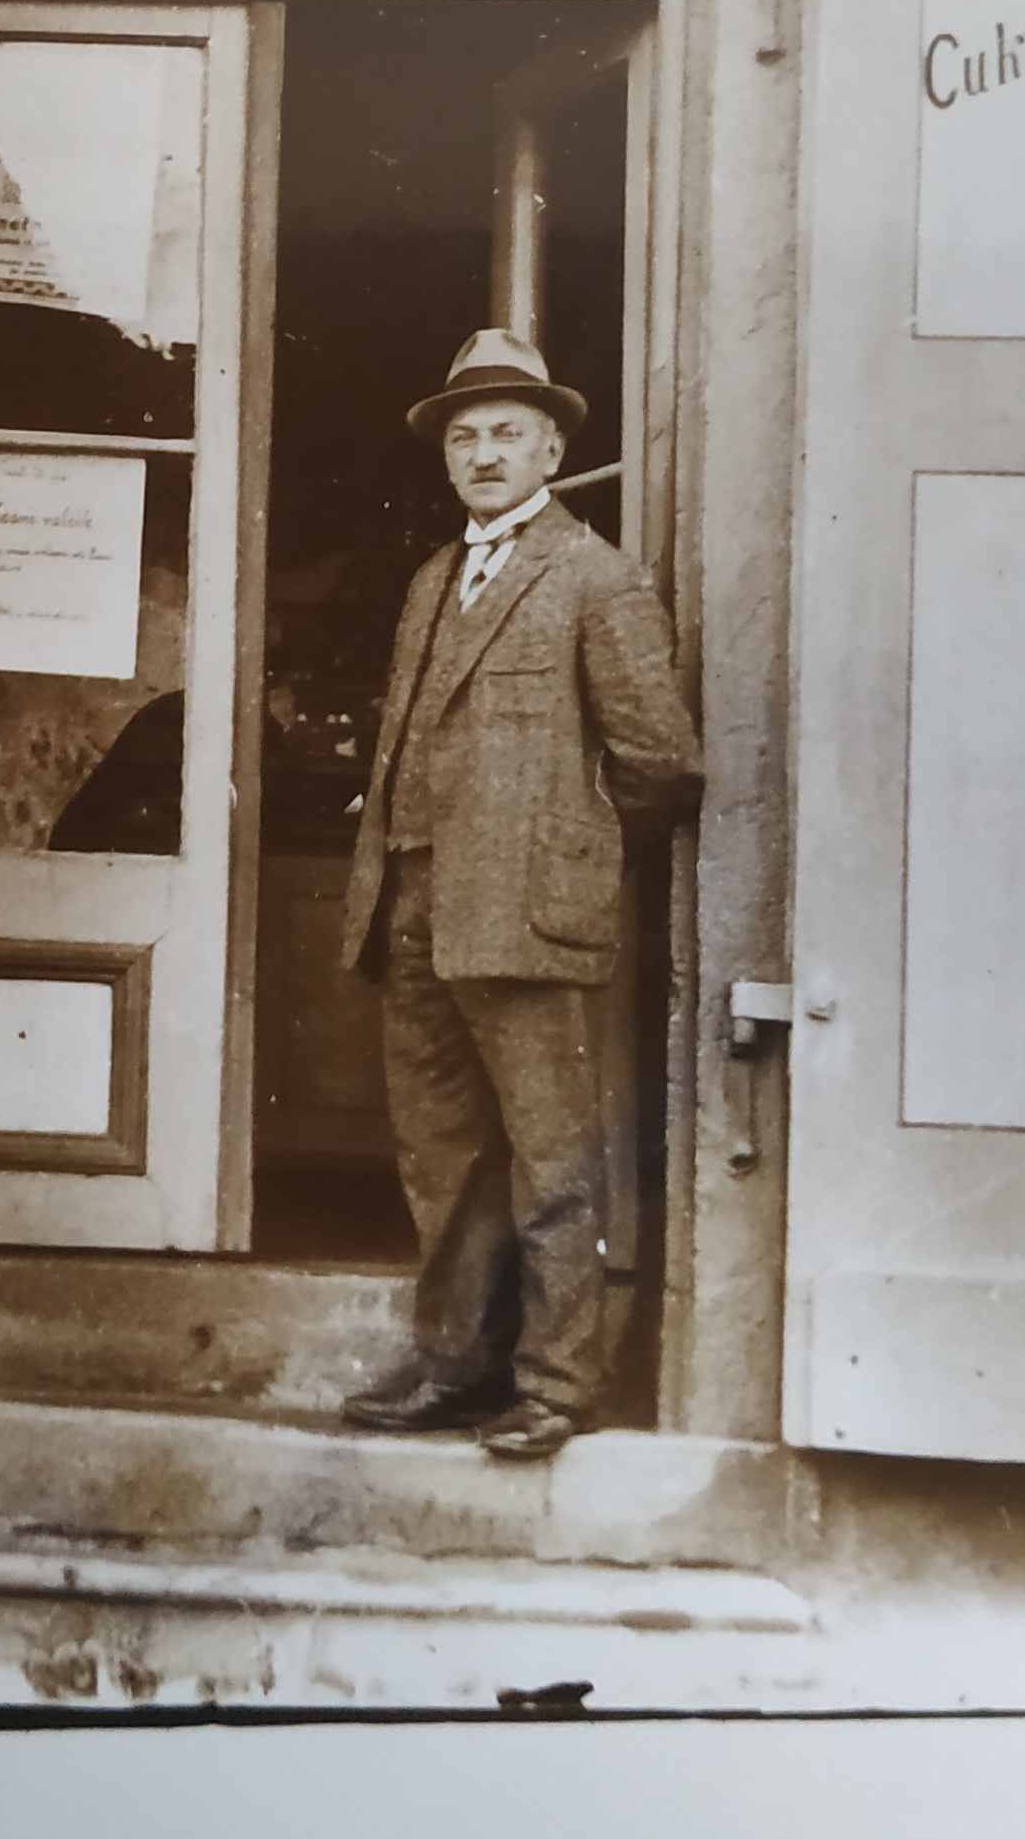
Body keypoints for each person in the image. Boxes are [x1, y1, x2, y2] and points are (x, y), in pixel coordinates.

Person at [335, 329, 702, 1461]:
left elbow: (659, 762)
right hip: (414, 909)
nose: (484, 454)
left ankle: (557, 1385)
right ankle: (454, 1366)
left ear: (551, 450)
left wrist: (563, 860)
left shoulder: (595, 577)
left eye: (507, 433)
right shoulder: (432, 580)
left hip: (528, 916)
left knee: (553, 1160)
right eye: (465, 437)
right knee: (442, 1154)